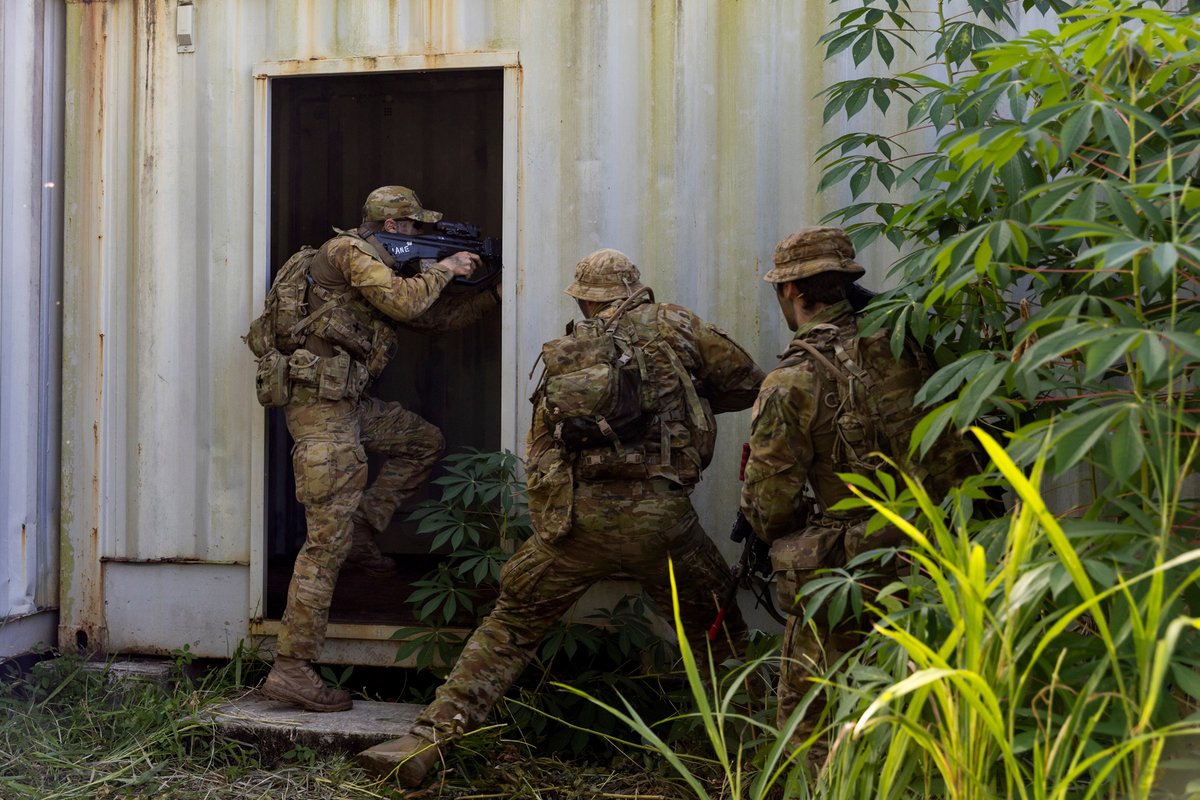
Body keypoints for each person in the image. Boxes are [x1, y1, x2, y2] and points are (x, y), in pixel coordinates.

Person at [357, 248, 765, 787]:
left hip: (578, 523)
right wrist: (688, 398)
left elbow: (543, 445)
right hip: (664, 522)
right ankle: (755, 757)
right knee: (718, 634)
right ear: (634, 288)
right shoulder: (679, 327)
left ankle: (425, 741)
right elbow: (750, 383)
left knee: (508, 629)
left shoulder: (570, 351)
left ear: (583, 298)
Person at [739, 226, 977, 762]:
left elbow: (770, 504)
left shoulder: (793, 379)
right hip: (938, 556)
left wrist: (792, 530)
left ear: (795, 292)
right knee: (931, 716)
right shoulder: (906, 346)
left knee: (812, 726)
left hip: (850, 574)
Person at [260, 185, 501, 712]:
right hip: (323, 415)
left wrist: (491, 292)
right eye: (415, 228)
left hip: (348, 405)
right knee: (325, 545)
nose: (419, 237)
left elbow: (428, 318)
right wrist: (447, 267)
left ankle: (367, 527)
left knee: (422, 442)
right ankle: (292, 669)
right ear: (394, 228)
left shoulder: (369, 266)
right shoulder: (348, 252)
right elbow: (405, 299)